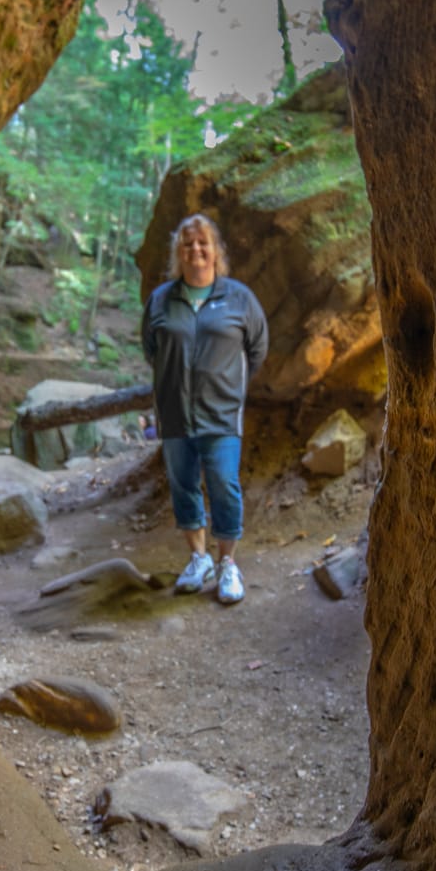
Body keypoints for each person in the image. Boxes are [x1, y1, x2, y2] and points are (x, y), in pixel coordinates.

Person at [140, 213, 268, 605]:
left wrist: (227, 384)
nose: (196, 249)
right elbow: (151, 348)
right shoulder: (162, 299)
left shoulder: (239, 298)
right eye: (187, 243)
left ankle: (227, 563)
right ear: (179, 253)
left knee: (224, 485)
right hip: (175, 412)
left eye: (203, 243)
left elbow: (257, 348)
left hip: (222, 413)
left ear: (216, 251)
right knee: (183, 485)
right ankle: (198, 559)